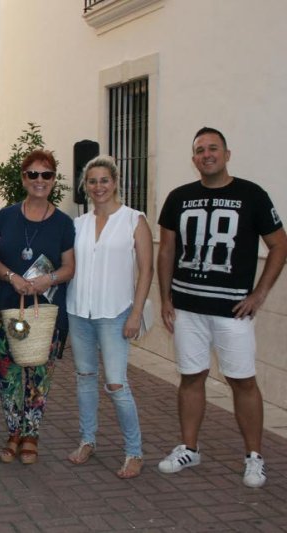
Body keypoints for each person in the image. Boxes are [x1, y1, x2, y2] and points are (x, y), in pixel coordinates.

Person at [156, 127, 287, 488]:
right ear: (193, 157)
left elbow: (279, 245)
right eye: (199, 150)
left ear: (227, 154)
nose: (206, 154)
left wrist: (259, 294)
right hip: (188, 307)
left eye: (213, 148)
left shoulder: (252, 195)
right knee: (191, 377)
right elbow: (166, 249)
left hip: (232, 311)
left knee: (242, 380)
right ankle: (189, 447)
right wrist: (165, 297)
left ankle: (254, 456)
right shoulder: (179, 197)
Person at [65, 155, 152, 479]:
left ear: (115, 182)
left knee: (116, 384)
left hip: (116, 314)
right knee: (85, 379)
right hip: (79, 312)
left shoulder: (134, 220)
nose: (98, 187)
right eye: (92, 181)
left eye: (104, 180)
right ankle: (87, 441)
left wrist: (136, 312)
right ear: (85, 187)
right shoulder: (78, 224)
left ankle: (134, 452)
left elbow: (147, 270)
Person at [0, 149, 75, 466]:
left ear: (54, 179)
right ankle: (13, 433)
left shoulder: (64, 223)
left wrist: (48, 280)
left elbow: (70, 267)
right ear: (23, 178)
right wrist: (11, 276)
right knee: (8, 374)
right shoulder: (6, 216)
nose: (39, 180)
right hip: (9, 309)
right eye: (33, 174)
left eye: (46, 174)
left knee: (39, 375)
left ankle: (31, 435)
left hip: (47, 313)